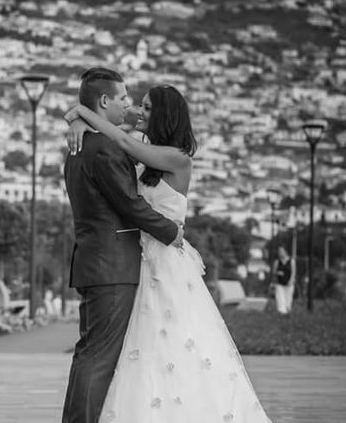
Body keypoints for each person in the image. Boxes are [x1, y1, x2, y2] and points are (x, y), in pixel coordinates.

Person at [65, 76, 273, 422]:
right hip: (138, 260)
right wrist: (77, 119)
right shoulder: (143, 155)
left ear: (164, 115)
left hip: (161, 258)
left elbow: (118, 139)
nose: (136, 110)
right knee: (133, 351)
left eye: (146, 107)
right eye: (135, 103)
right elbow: (117, 149)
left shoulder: (176, 158)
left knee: (171, 347)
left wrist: (80, 115)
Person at [60, 69, 186, 423]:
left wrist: (77, 117)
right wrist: (170, 232)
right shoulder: (104, 150)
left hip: (96, 261)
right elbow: (129, 204)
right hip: (111, 265)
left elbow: (127, 130)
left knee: (89, 354)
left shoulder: (85, 144)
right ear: (104, 101)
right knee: (98, 359)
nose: (130, 107)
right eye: (124, 99)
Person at [271, 246, 296, 315]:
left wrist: (291, 280)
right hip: (279, 283)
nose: (280, 253)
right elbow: (273, 272)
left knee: (288, 300)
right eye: (279, 252)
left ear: (285, 252)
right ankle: (282, 313)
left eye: (281, 251)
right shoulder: (277, 262)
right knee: (280, 298)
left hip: (289, 283)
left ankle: (287, 312)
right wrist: (277, 272)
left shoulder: (291, 261)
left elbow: (293, 272)